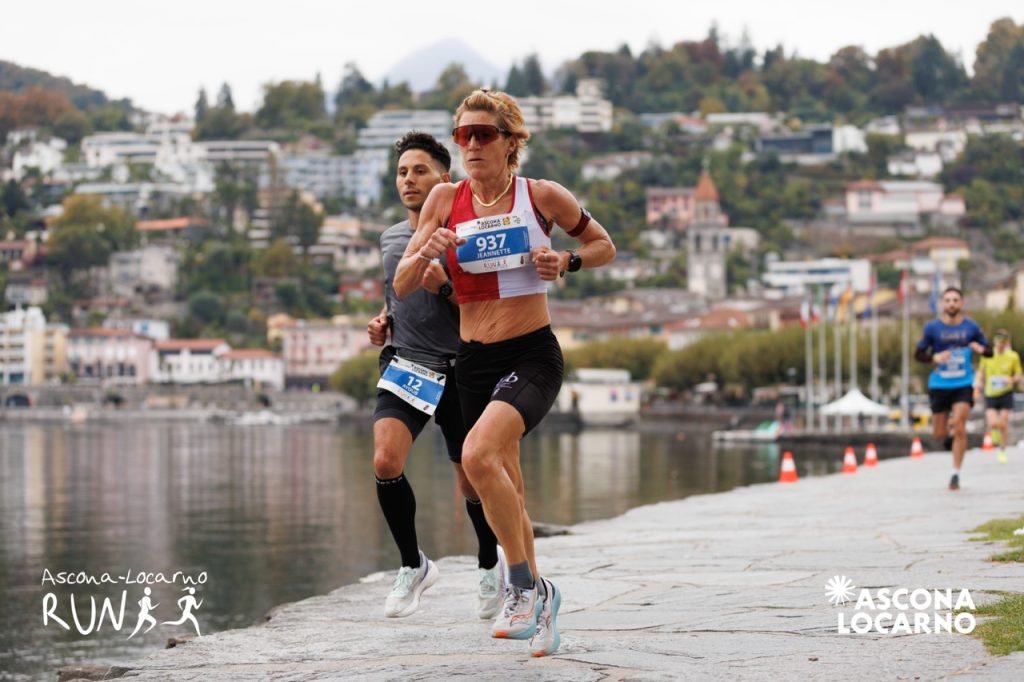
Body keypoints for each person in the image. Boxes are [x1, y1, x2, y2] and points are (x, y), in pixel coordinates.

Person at [394, 89, 616, 657]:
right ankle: (542, 605)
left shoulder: (541, 196)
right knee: (507, 488)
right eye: (462, 135)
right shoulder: (444, 199)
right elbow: (401, 282)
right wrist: (426, 250)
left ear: (511, 141)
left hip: (530, 354)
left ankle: (519, 586)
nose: (470, 144)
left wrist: (566, 261)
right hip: (474, 362)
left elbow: (602, 245)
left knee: (475, 456)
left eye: (483, 134)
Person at [367, 131, 504, 619]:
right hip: (407, 363)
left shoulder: (467, 236)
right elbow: (395, 295)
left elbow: (489, 310)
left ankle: (489, 562)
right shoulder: (390, 239)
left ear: (444, 180)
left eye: (419, 170)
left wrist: (445, 287)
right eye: (402, 172)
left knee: (471, 482)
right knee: (385, 460)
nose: (409, 180)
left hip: (462, 368)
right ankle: (413, 565)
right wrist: (383, 320)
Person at [914, 287, 992, 490]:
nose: (951, 304)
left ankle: (955, 473)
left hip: (963, 383)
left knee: (960, 425)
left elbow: (989, 350)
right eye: (948, 300)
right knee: (939, 434)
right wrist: (934, 357)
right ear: (943, 304)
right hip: (939, 384)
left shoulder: (971, 327)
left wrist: (981, 349)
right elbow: (918, 354)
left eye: (955, 300)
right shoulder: (933, 328)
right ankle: (948, 425)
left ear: (961, 303)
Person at [974, 328, 1021, 459]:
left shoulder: (1013, 356)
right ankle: (995, 432)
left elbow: (1018, 375)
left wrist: (1011, 380)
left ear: (1007, 343)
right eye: (999, 342)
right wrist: (977, 384)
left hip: (1006, 392)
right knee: (993, 422)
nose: (1001, 345)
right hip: (990, 393)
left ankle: (1002, 450)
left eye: (1003, 342)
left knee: (1004, 422)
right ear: (994, 342)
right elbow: (981, 371)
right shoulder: (988, 354)